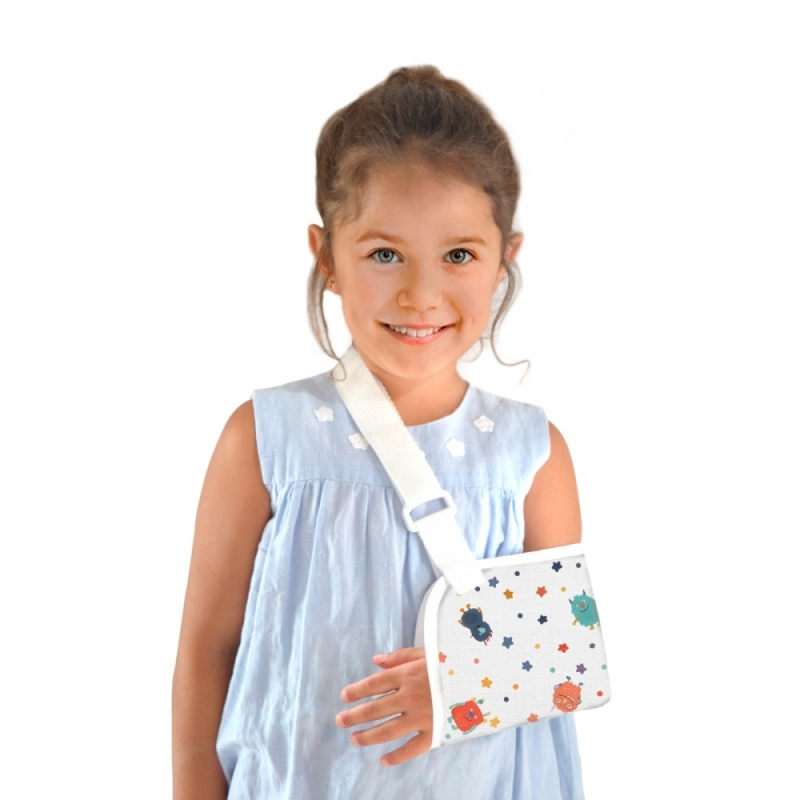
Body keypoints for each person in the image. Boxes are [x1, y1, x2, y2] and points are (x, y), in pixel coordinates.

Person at [172, 65, 585, 800]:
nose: (421, 295)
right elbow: (209, 650)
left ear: (503, 263)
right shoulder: (265, 438)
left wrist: (462, 685)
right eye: (385, 253)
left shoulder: (531, 454)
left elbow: (566, 654)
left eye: (458, 255)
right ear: (327, 256)